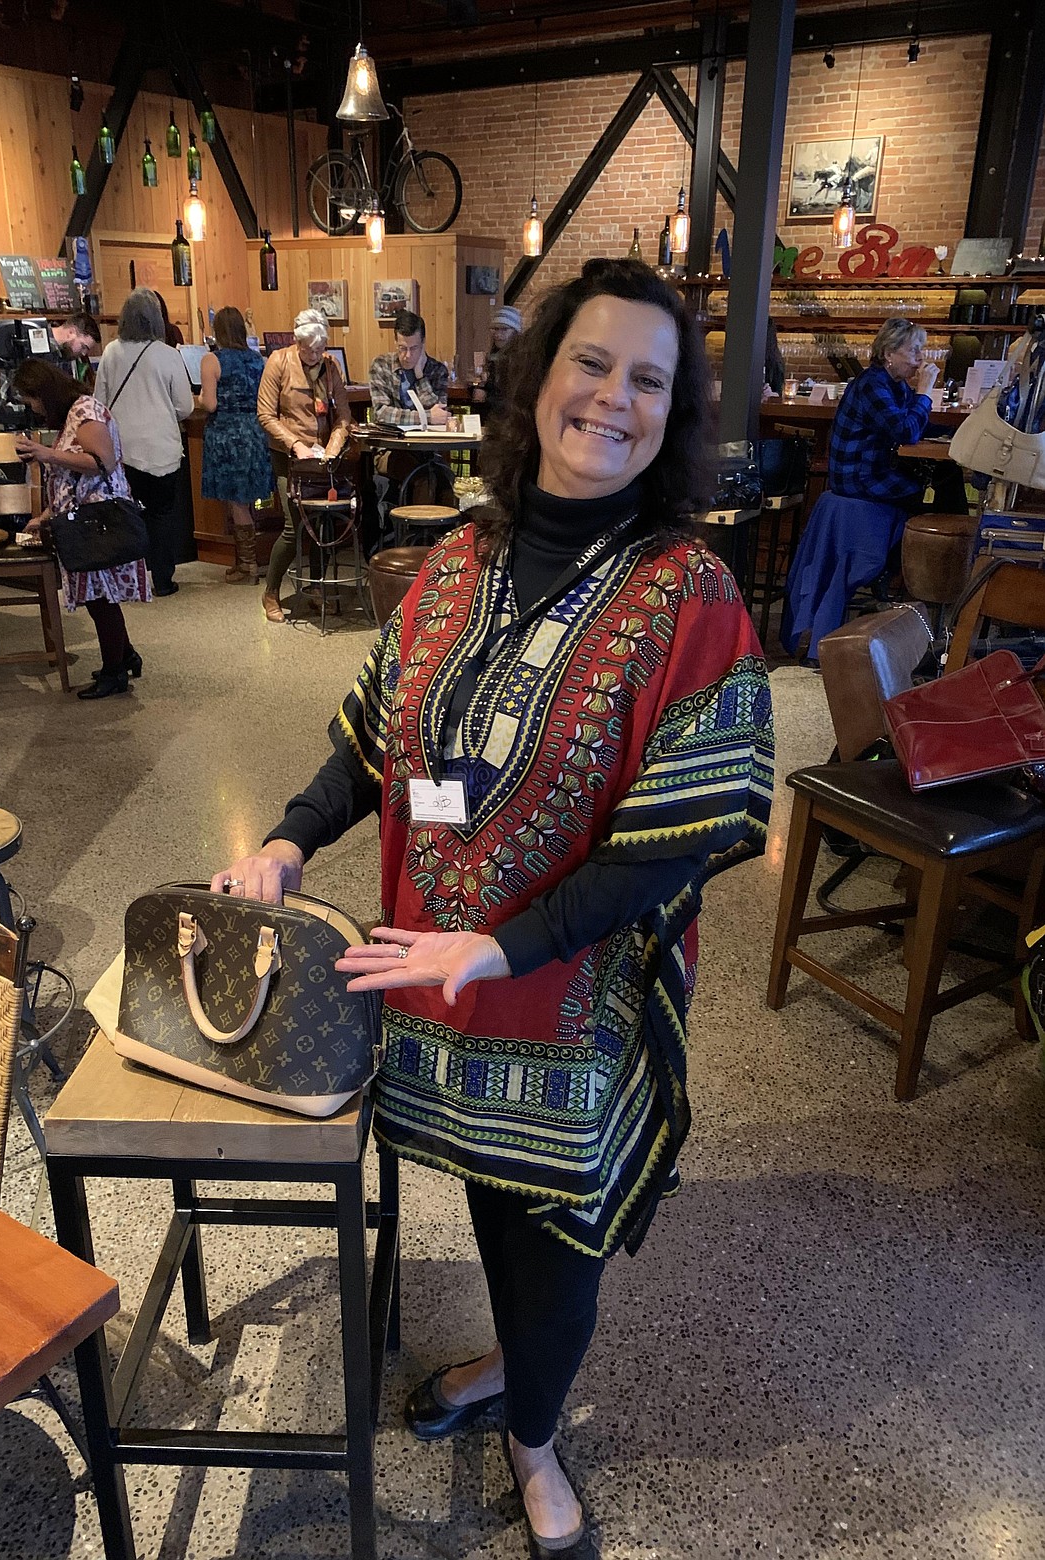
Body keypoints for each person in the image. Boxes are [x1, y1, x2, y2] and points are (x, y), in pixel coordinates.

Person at [214, 259, 773, 1560]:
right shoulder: (457, 559)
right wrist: (291, 841)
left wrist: (503, 941)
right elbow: (376, 735)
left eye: (648, 379)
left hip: (564, 1009)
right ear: (537, 384)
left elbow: (676, 841)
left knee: (554, 1248)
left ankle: (533, 1434)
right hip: (434, 985)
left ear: (670, 412)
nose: (613, 399)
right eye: (591, 364)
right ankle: (506, 1376)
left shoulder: (690, 597)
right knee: (478, 1196)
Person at [781, 317, 938, 656]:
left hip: (867, 474)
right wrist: (926, 393)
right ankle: (893, 580)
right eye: (914, 350)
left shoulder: (893, 384)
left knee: (930, 488)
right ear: (888, 353)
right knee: (929, 499)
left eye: (921, 350)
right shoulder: (872, 384)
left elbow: (912, 421)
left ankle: (898, 582)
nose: (920, 358)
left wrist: (923, 404)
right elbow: (906, 431)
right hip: (857, 479)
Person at [12, 358, 149, 700]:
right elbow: (72, 480)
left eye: (34, 401)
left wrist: (46, 454)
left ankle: (115, 672)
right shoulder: (75, 412)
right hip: (85, 520)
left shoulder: (85, 410)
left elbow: (101, 461)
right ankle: (123, 654)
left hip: (97, 522)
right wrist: (45, 515)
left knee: (101, 598)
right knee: (97, 597)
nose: (36, 409)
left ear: (44, 392)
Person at [256, 309, 354, 623]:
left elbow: (343, 416)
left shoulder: (330, 366)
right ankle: (271, 592)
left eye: (319, 349)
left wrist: (333, 446)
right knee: (293, 525)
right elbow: (265, 415)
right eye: (308, 349)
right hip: (289, 457)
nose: (314, 355)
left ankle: (315, 587)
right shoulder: (278, 362)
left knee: (323, 525)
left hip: (323, 457)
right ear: (297, 343)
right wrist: (296, 445)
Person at [95, 288, 194, 598]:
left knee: (127, 517)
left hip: (123, 452)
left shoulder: (111, 352)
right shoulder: (168, 354)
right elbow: (186, 406)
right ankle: (163, 580)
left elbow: (99, 402)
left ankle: (128, 582)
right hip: (162, 450)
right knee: (162, 515)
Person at [199, 307, 274, 583]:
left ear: (218, 332)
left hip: (227, 434)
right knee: (248, 499)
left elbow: (210, 403)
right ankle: (246, 560)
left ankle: (248, 565)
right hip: (255, 432)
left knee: (236, 502)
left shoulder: (211, 360)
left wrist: (197, 398)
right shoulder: (259, 361)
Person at [368, 307, 450, 428]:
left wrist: (420, 377)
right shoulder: (381, 365)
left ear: (423, 343)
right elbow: (382, 413)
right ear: (396, 342)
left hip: (428, 442)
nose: (408, 355)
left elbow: (439, 414)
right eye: (403, 348)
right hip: (391, 441)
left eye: (414, 348)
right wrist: (425, 417)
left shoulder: (438, 370)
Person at [474, 304, 522, 420]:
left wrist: (485, 395)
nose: (498, 334)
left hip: (511, 418)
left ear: (515, 332)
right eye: (495, 329)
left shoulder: (520, 360)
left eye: (504, 329)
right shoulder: (493, 358)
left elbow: (512, 397)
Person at [51, 313, 102, 384]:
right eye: (83, 346)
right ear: (71, 332)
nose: (84, 353)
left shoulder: (68, 353)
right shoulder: (35, 343)